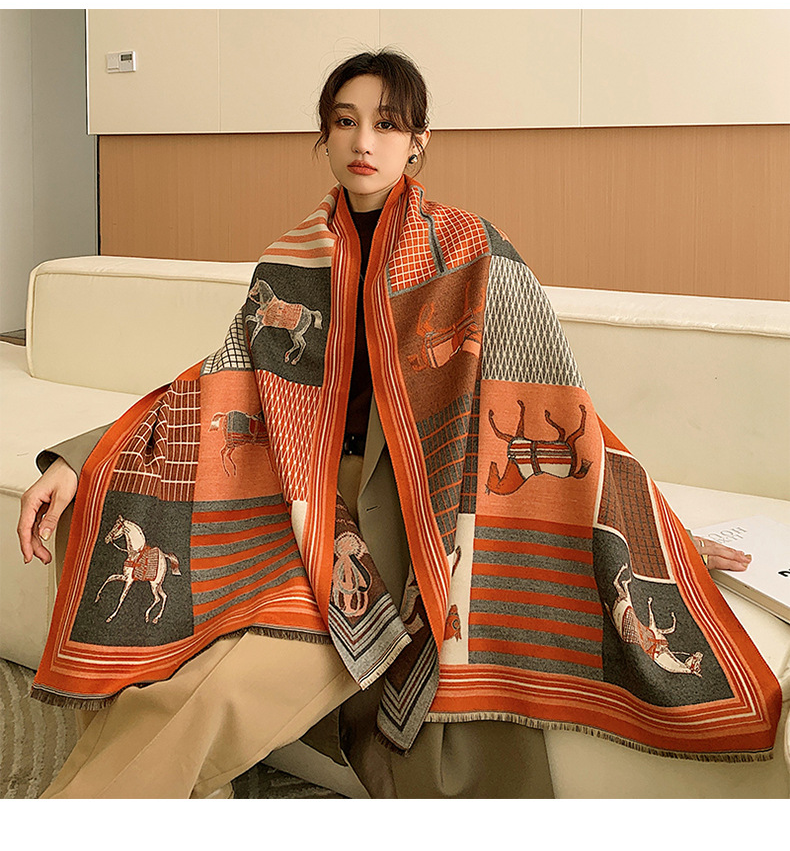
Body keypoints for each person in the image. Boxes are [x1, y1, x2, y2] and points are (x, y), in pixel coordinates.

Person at [17, 50, 758, 799]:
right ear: (324, 135)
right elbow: (218, 380)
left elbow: (554, 404)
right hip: (291, 505)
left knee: (223, 689)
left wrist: (647, 529)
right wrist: (80, 460)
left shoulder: (473, 253)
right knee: (166, 673)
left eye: (387, 123)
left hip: (407, 523)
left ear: (418, 140)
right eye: (346, 121)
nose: (364, 142)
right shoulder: (290, 261)